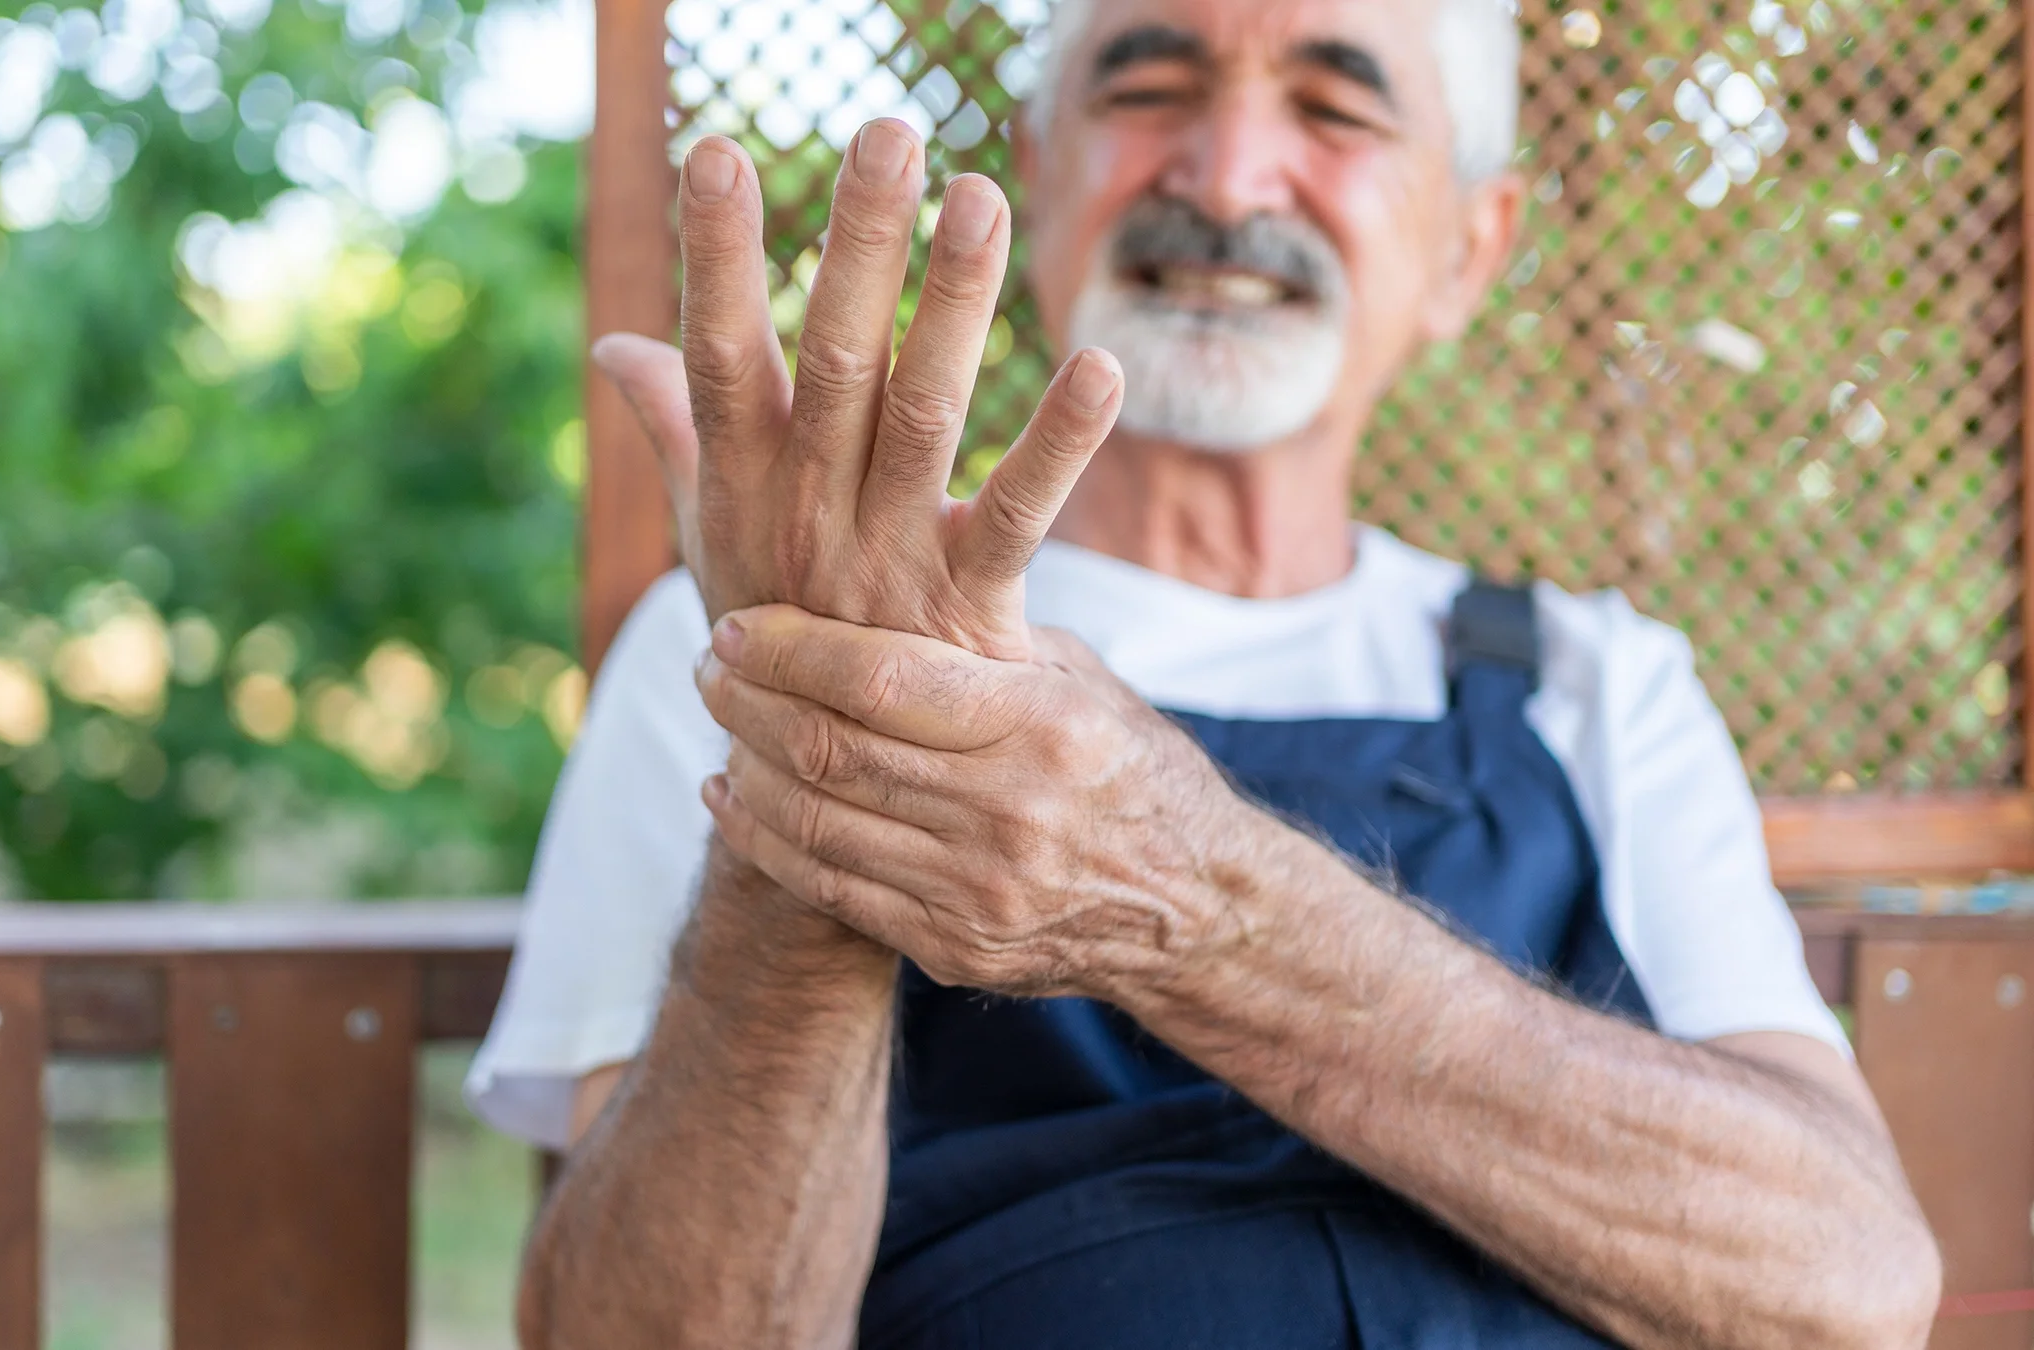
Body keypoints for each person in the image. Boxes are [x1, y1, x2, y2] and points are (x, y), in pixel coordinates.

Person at [473, 0, 1943, 1344]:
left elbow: (1844, 1282)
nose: (1230, 177)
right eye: (1154, 85)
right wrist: (832, 766)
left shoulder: (1593, 678)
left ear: (1466, 250)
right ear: (1044, 173)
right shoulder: (734, 640)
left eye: (1336, 108)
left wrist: (1195, 898)